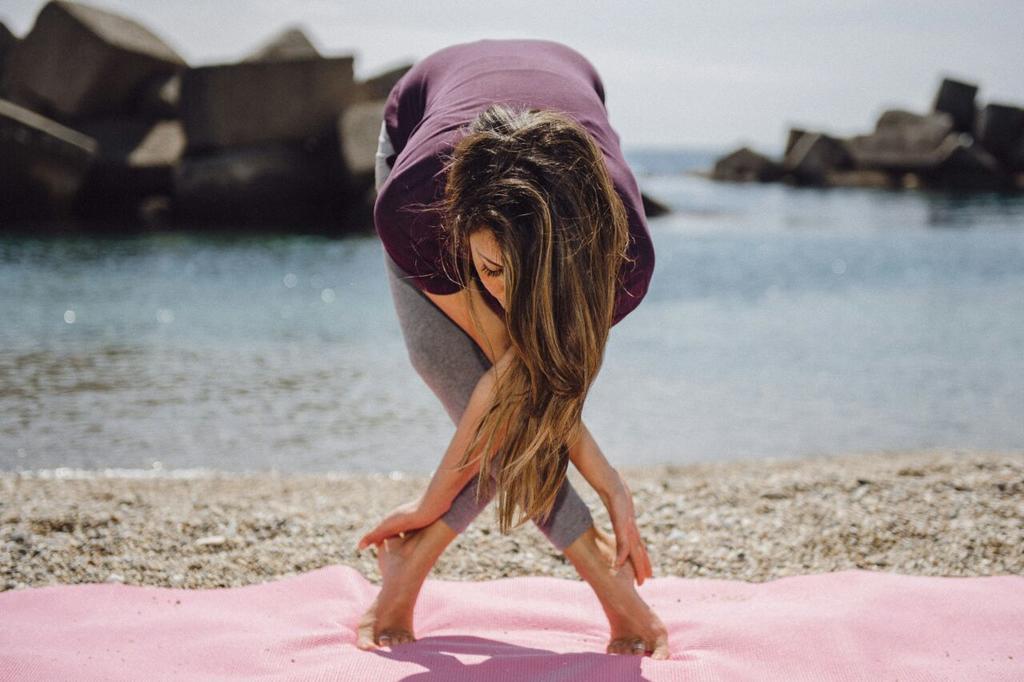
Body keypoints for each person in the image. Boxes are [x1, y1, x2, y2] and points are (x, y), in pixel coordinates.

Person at [355, 38, 669, 659]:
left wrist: (615, 487)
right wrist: (430, 502)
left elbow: (539, 388)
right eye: (493, 271)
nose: (507, 296)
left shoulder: (619, 261)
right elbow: (503, 389)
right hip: (428, 136)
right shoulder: (418, 211)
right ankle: (615, 593)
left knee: (525, 404)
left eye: (525, 276)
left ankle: (409, 566)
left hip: (564, 155)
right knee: (441, 361)